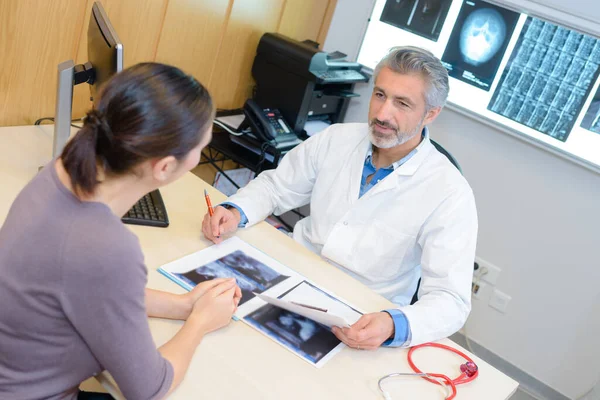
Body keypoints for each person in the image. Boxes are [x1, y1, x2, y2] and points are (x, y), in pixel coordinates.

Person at [202, 46, 478, 349]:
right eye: (380, 95)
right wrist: (235, 209)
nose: (383, 114)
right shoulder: (338, 138)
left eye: (402, 103)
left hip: (360, 316)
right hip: (288, 277)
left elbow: (450, 300)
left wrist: (392, 323)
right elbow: (276, 187)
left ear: (431, 114)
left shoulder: (450, 192)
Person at [0, 63, 241, 400]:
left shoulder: (63, 169)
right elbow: (149, 388)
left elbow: (91, 290)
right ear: (165, 167)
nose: (199, 157)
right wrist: (199, 323)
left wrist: (184, 305)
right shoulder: (106, 246)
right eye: (200, 149)